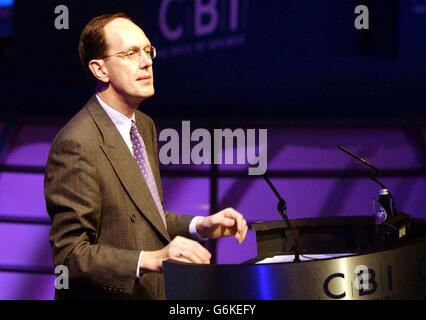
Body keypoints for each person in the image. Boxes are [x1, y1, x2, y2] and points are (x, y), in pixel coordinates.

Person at [44, 12, 248, 299]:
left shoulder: (143, 125)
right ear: (100, 70)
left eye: (148, 50)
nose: (146, 62)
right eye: (130, 53)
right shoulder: (77, 143)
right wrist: (148, 259)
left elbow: (143, 213)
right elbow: (69, 255)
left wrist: (199, 225)